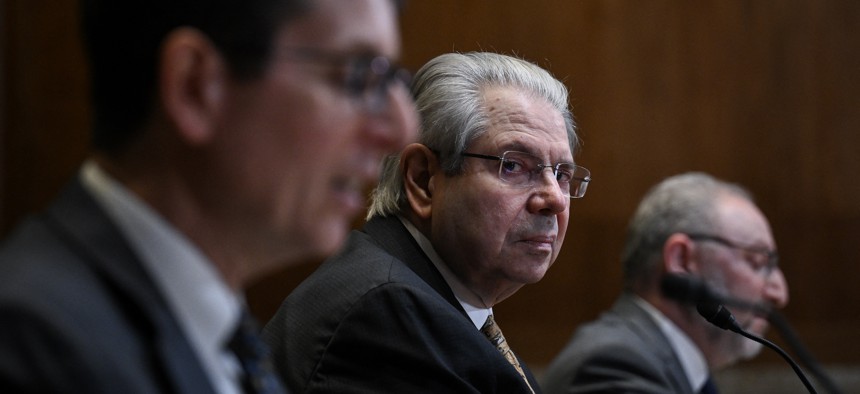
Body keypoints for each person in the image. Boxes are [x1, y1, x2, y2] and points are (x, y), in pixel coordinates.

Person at [0, 0, 416, 392]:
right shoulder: (38, 349)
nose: (402, 129)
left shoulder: (218, 326)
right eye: (360, 76)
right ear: (195, 87)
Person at [262, 51, 590, 393]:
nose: (553, 199)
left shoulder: (434, 306)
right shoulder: (389, 316)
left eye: (563, 174)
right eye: (513, 166)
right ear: (422, 179)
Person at [541, 172, 790, 394]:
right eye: (757, 261)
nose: (779, 292)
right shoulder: (614, 366)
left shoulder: (668, 364)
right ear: (681, 259)